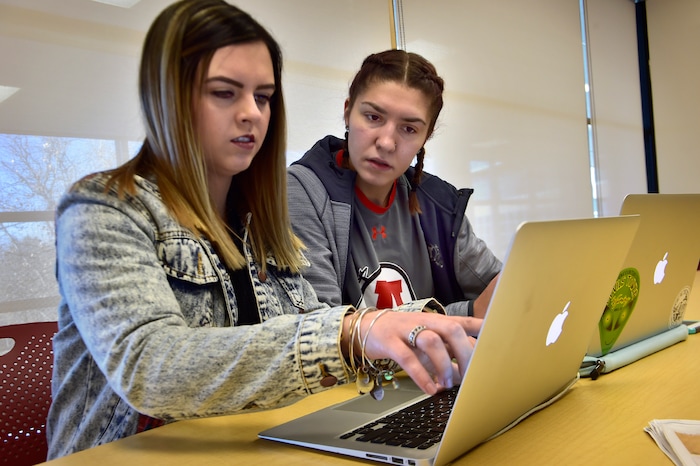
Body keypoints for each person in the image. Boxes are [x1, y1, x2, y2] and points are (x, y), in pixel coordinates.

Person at [47, 0, 483, 460]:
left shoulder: (263, 226)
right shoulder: (103, 208)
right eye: (224, 93)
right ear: (167, 95)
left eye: (263, 96)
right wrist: (352, 333)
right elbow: (151, 366)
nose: (252, 113)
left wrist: (432, 326)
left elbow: (312, 323)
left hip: (240, 450)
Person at [287, 49, 502, 319]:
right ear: (347, 111)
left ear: (426, 136)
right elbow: (320, 332)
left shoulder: (438, 203)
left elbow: (502, 289)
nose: (386, 142)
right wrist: (464, 314)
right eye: (373, 117)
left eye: (409, 129)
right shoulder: (301, 192)